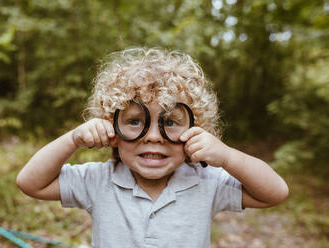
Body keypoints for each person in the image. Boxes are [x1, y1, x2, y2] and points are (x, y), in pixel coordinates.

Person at [16, 47, 289, 248]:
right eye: (136, 122)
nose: (154, 136)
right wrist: (73, 139)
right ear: (112, 130)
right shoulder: (98, 181)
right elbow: (30, 183)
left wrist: (227, 156)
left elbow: (275, 193)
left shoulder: (207, 183)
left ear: (196, 131)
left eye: (170, 122)